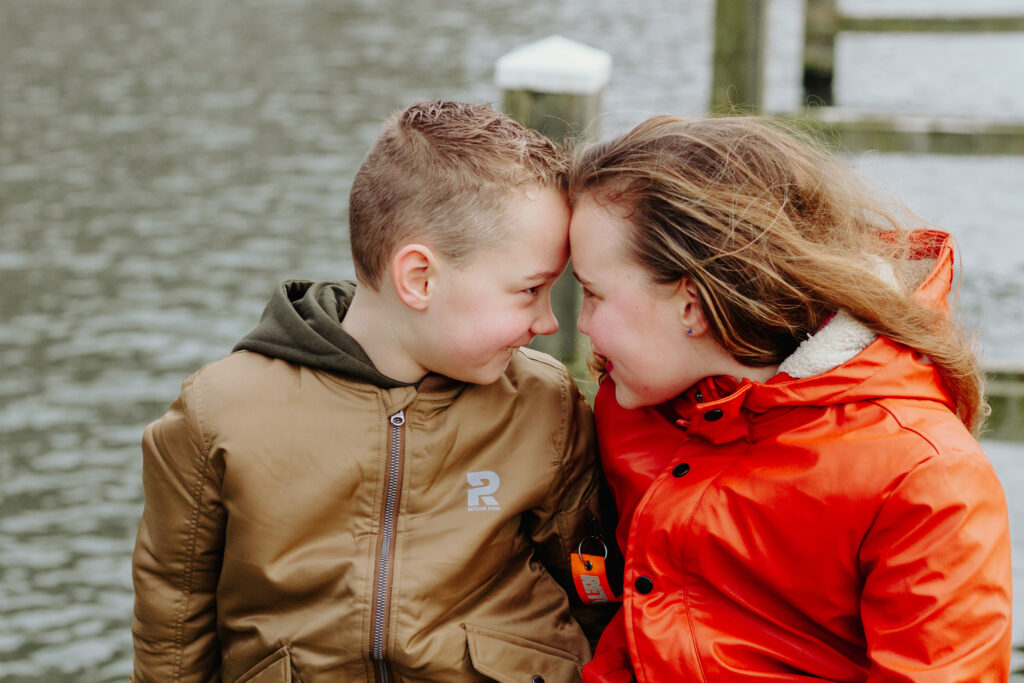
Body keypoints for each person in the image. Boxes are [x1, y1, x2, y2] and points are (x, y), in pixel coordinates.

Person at [131, 100, 617, 682]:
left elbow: (597, 594)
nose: (548, 323)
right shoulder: (218, 413)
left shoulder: (547, 405)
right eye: (530, 290)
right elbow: (174, 628)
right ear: (419, 278)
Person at [567, 115, 1013, 682]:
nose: (578, 326)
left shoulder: (923, 476)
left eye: (592, 293)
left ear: (692, 305)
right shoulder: (630, 408)